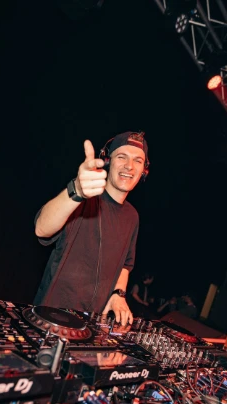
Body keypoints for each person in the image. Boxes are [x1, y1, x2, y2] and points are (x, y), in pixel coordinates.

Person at [33, 131, 150, 326]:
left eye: (138, 160)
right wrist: (76, 190)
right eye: (122, 157)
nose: (129, 166)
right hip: (51, 317)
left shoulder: (132, 216)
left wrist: (118, 294)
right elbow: (41, 229)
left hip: (90, 325)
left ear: (144, 170)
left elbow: (126, 264)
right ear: (107, 161)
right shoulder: (83, 198)